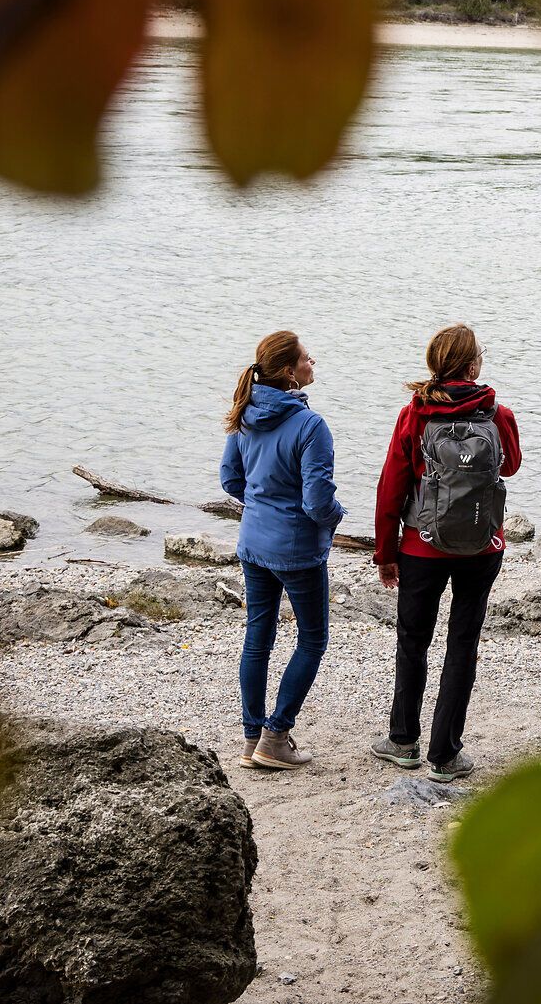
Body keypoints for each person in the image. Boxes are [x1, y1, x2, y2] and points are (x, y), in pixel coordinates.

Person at [369, 324, 521, 782]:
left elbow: (391, 487)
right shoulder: (498, 414)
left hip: (421, 546)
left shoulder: (413, 416)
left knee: (413, 641)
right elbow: (509, 466)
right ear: (474, 365)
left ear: (434, 365)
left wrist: (385, 551)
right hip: (482, 546)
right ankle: (445, 755)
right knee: (462, 643)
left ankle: (402, 741)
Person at [220, 330, 344, 772]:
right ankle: (275, 737)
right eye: (309, 358)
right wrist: (337, 515)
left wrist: (261, 505)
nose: (315, 363)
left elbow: (230, 481)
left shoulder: (245, 413)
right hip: (296, 550)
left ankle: (252, 737)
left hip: (253, 543)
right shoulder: (311, 426)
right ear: (290, 371)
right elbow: (316, 502)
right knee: (312, 639)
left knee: (259, 636)